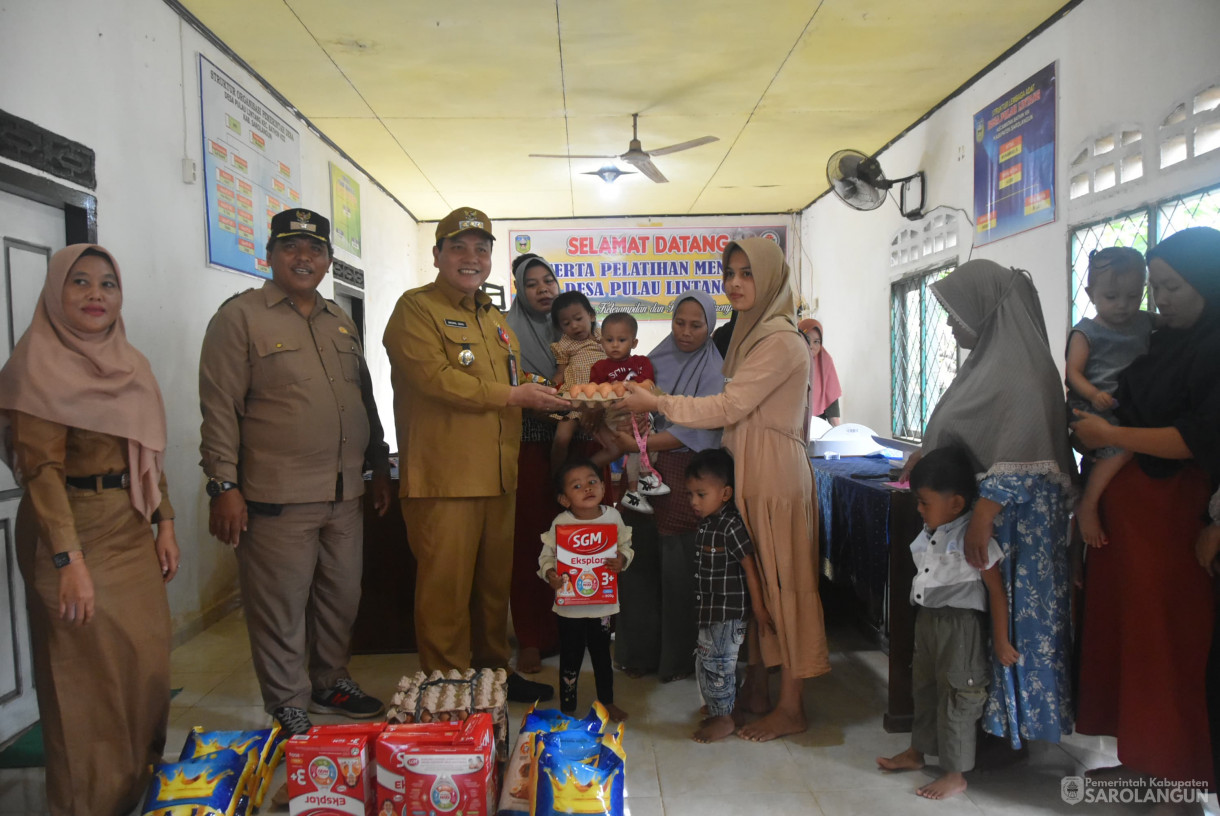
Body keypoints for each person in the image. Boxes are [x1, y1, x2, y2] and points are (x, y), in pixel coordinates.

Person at [622, 238, 830, 742]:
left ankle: (792, 705)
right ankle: (757, 690)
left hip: (774, 473)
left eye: (747, 274)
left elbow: (725, 407)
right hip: (749, 467)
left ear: (771, 280)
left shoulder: (780, 339)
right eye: (730, 272)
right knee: (753, 582)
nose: (735, 283)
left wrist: (658, 400)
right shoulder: (749, 335)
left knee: (785, 587)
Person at [199, 208, 393, 736]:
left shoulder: (338, 319)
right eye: (291, 248)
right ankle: (288, 699)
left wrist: (377, 464)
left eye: (314, 250)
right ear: (270, 254)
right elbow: (219, 409)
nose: (303, 258)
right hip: (276, 495)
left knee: (341, 596)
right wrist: (223, 485)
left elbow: (364, 399)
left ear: (329, 260)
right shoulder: (239, 318)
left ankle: (330, 680)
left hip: (345, 492)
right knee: (280, 605)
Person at [0, 244, 177, 815]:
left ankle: (136, 795)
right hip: (70, 530)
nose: (95, 294)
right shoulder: (36, 367)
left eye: (107, 283)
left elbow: (146, 453)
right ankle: (88, 806)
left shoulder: (131, 363)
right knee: (85, 685)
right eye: (79, 282)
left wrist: (164, 522)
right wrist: (67, 560)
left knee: (144, 670)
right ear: (56, 291)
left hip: (128, 524)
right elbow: (42, 474)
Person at [382, 206, 567, 703]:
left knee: (491, 594)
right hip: (446, 478)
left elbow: (508, 381)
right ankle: (448, 688)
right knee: (445, 593)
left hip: (498, 475)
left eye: (481, 249)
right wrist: (516, 397)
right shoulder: (414, 309)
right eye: (459, 248)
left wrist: (550, 392)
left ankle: (492, 680)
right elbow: (436, 380)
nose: (471, 258)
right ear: (438, 253)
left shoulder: (492, 318)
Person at [905, 259, 1076, 751]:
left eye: (960, 313)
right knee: (983, 623)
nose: (954, 324)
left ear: (989, 309)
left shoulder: (1022, 372)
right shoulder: (987, 363)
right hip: (992, 519)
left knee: (1012, 623)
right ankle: (984, 733)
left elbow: (1023, 451)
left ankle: (1010, 736)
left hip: (1015, 525)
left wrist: (984, 513)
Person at [1073, 226, 1220, 788]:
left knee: (1169, 645)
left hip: (1174, 519)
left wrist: (1113, 434)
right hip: (1128, 518)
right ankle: (1142, 759)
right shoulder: (1164, 342)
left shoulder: (1211, 347)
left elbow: (1191, 438)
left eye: (1172, 287)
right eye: (1156, 287)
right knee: (1132, 641)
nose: (1160, 301)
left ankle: (1177, 781)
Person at [877, 446, 1018, 800]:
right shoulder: (931, 531)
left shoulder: (973, 536)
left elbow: (996, 593)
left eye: (925, 502)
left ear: (955, 503)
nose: (919, 509)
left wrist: (1000, 641)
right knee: (924, 689)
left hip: (961, 628)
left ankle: (955, 774)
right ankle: (916, 752)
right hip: (928, 623)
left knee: (959, 695)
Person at [614, 290, 725, 684]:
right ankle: (637, 654)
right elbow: (627, 403)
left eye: (696, 325)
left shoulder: (715, 370)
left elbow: (698, 428)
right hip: (644, 475)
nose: (686, 332)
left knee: (677, 568)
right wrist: (629, 438)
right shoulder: (653, 361)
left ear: (709, 327)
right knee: (639, 561)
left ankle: (676, 659)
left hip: (682, 478)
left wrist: (639, 444)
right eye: (680, 322)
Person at [1065, 247, 1155, 548]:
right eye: (1112, 298)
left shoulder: (1144, 321)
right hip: (1092, 405)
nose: (1123, 306)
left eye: (1133, 296)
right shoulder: (1086, 332)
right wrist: (1094, 394)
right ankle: (1087, 504)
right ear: (1091, 294)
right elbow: (1073, 373)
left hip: (1126, 404)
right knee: (1123, 447)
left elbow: (1175, 325)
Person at [685, 448, 771, 743]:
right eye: (691, 495)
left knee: (718, 664)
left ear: (725, 493)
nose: (694, 502)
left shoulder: (730, 525)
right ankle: (727, 709)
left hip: (728, 611)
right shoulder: (707, 523)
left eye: (701, 494)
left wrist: (758, 608)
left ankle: (723, 720)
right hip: (709, 608)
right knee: (710, 661)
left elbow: (750, 566)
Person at [538, 459, 633, 721]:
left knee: (603, 655)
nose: (587, 488)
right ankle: (568, 706)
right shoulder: (561, 522)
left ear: (603, 486)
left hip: (602, 605)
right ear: (565, 499)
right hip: (570, 608)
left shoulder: (613, 517)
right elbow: (546, 557)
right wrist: (550, 574)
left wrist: (622, 560)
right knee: (570, 657)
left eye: (592, 482)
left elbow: (626, 546)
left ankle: (607, 702)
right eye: (577, 486)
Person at [505, 253, 563, 674]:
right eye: (532, 284)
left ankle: (578, 627)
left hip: (579, 447)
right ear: (519, 291)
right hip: (530, 448)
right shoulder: (505, 335)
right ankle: (531, 636)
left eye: (549, 281)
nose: (544, 290)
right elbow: (502, 389)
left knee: (581, 538)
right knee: (532, 544)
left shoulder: (574, 326)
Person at [589, 312, 666, 513]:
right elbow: (595, 395)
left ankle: (642, 479)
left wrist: (629, 386)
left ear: (634, 342)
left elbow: (648, 386)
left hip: (638, 412)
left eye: (621, 340)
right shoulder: (599, 367)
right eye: (609, 340)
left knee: (650, 441)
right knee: (634, 444)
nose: (615, 345)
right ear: (601, 341)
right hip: (615, 415)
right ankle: (633, 490)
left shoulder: (641, 363)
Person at [549, 291, 606, 474]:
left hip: (600, 400)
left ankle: (588, 473)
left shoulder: (603, 337)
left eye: (578, 318)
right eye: (566, 323)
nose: (574, 326)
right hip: (573, 398)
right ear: (560, 328)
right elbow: (560, 372)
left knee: (613, 441)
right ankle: (557, 476)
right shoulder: (565, 344)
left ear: (591, 315)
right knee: (561, 438)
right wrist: (550, 389)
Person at [797, 318, 843, 429]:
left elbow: (833, 412)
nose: (812, 346)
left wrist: (839, 434)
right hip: (793, 428)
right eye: (807, 339)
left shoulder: (826, 363)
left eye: (816, 342)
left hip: (817, 431)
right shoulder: (791, 361)